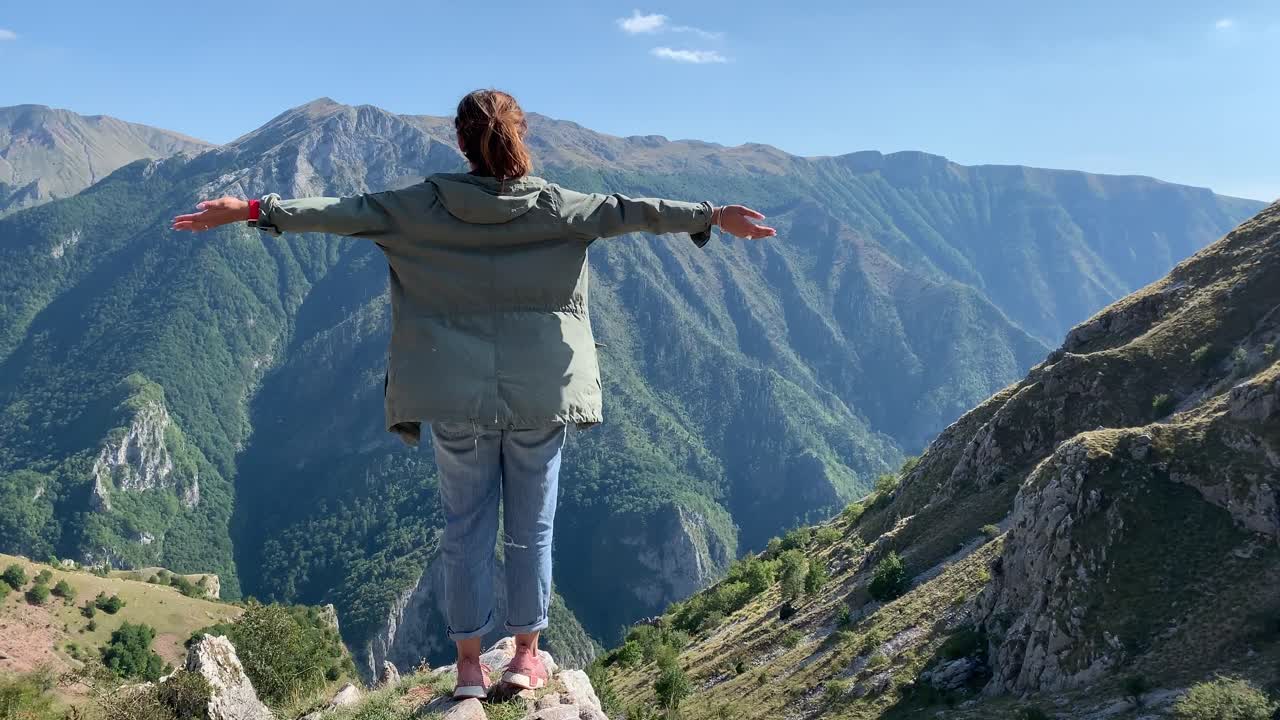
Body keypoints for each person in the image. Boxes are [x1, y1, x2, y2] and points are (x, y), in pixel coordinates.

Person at [172, 89, 776, 699]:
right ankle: (523, 659)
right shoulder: (562, 207)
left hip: (453, 394)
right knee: (531, 529)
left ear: (461, 144)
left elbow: (337, 210)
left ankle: (467, 672)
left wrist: (251, 208)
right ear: (521, 138)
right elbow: (635, 211)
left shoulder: (416, 208)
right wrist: (714, 213)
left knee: (464, 529)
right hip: (542, 393)